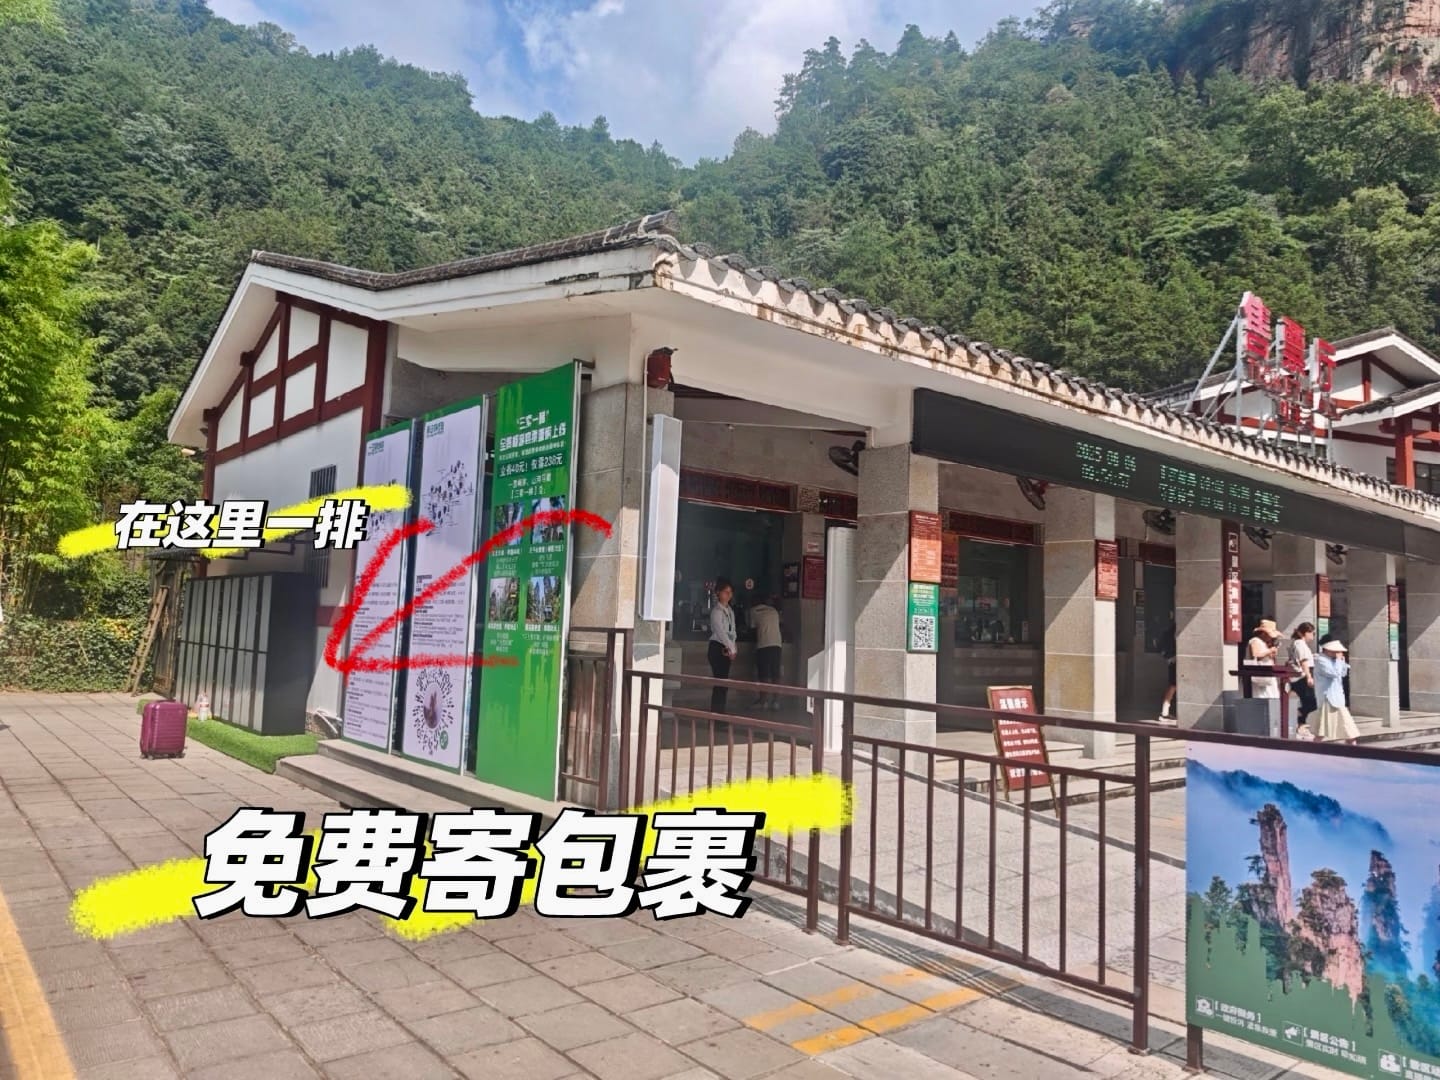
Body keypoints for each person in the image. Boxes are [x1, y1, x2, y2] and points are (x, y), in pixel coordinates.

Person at [1314, 639, 1360, 743]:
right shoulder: (1321, 660)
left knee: (1348, 731)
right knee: (1323, 730)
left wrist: (1342, 662)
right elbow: (1333, 673)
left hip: (1337, 698)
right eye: (1337, 651)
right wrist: (1339, 661)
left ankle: (1351, 748)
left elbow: (1342, 674)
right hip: (1328, 698)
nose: (1339, 654)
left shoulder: (1334, 661)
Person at [1246, 618, 1282, 733]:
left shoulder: (1264, 643)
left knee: (1272, 697)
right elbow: (1256, 654)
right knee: (1263, 698)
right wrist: (1269, 650)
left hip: (1267, 674)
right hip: (1260, 675)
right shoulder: (1255, 640)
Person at [749, 596, 784, 711]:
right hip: (777, 644)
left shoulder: (753, 611)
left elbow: (752, 628)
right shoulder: (773, 611)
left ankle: (763, 701)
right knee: (775, 674)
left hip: (763, 645)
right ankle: (776, 702)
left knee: (764, 674)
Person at [708, 580, 737, 715]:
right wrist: (730, 647)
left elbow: (732, 632)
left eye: (730, 592)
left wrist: (733, 647)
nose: (729, 594)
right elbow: (720, 632)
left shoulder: (730, 611)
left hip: (727, 648)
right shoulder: (717, 611)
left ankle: (721, 712)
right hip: (717, 648)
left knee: (724, 683)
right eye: (726, 592)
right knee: (719, 682)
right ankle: (716, 714)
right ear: (719, 593)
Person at [1287, 622, 1318, 736]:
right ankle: (1300, 722)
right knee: (1311, 701)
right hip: (1302, 675)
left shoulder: (1297, 643)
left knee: (1307, 701)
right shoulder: (1300, 643)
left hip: (1299, 675)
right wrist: (1309, 676)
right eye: (1311, 633)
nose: (1312, 636)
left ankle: (1301, 723)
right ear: (1305, 633)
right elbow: (1303, 661)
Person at [1157, 617, 1177, 724]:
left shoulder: (1168, 631)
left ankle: (1165, 712)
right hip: (1175, 660)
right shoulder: (1174, 631)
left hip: (1171, 660)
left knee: (1173, 685)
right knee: (1173, 685)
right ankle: (1164, 713)